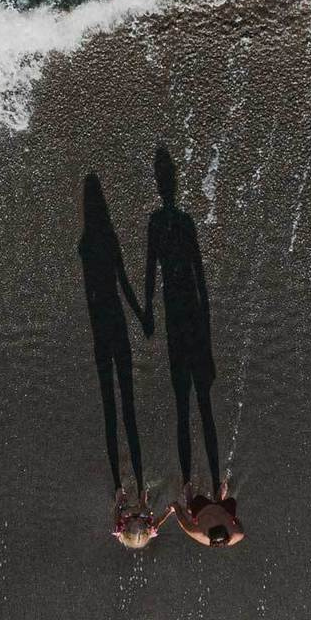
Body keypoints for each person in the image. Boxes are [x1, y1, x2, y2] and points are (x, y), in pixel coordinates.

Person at [144, 143, 223, 496]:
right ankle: (207, 482)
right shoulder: (176, 222)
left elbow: (154, 273)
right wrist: (207, 337)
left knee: (187, 403)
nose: (167, 184)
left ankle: (195, 483)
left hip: (178, 314)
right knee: (197, 403)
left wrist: (147, 311)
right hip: (186, 313)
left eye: (166, 178)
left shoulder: (160, 222)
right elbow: (198, 278)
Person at [78, 172, 151, 510]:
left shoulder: (84, 243)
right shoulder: (109, 238)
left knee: (111, 408)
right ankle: (139, 483)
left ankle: (120, 489)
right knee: (128, 408)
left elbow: (90, 292)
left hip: (99, 329)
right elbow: (123, 284)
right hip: (117, 324)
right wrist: (142, 316)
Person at [171, 481, 245, 548]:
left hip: (203, 508)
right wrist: (230, 517)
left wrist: (176, 507)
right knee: (231, 502)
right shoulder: (237, 534)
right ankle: (219, 500)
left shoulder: (197, 533)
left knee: (191, 507)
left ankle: (189, 500)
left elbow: (183, 522)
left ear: (206, 533)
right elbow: (237, 521)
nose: (214, 518)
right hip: (223, 508)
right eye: (219, 521)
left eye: (210, 521)